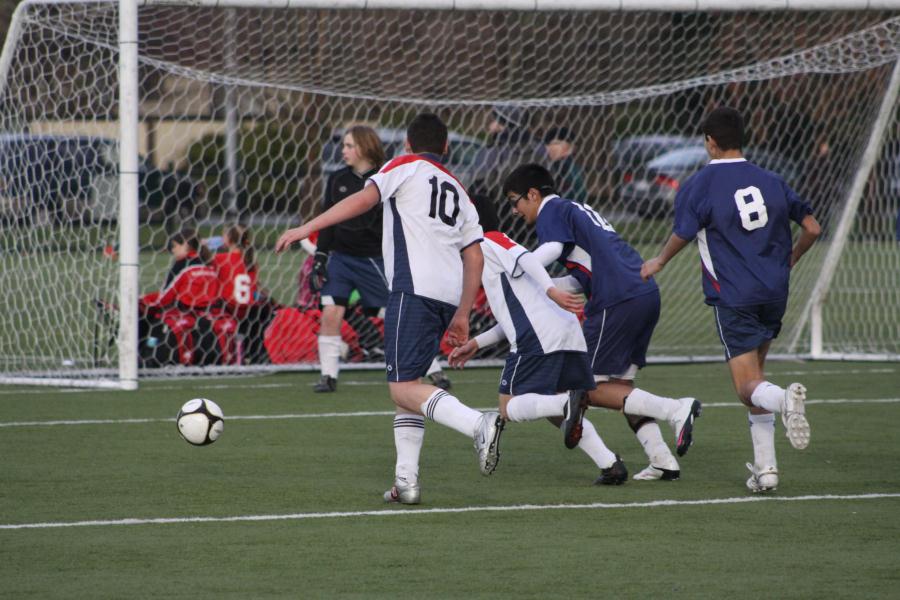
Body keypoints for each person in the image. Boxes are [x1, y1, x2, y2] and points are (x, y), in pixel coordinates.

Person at [276, 113, 503, 504]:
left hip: (413, 288)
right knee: (407, 387)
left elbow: (363, 199)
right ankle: (406, 482)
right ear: (447, 148)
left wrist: (305, 227)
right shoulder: (459, 189)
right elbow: (474, 256)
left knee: (403, 387)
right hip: (447, 294)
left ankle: (477, 423)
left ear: (408, 145)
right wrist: (464, 312)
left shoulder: (403, 165)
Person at [641, 106, 821, 492]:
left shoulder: (699, 184)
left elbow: (683, 233)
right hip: (774, 292)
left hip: (735, 296)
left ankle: (786, 400)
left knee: (745, 387)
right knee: (757, 379)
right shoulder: (772, 179)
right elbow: (812, 227)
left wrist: (659, 260)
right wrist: (792, 258)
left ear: (710, 141)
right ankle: (766, 470)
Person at [502, 164, 701, 482]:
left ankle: (675, 409)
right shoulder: (577, 211)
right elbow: (580, 278)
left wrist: (518, 270)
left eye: (515, 201)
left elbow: (551, 250)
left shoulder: (552, 210)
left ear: (534, 194)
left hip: (616, 298)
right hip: (643, 292)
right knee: (620, 388)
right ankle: (662, 459)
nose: (514, 210)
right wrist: (541, 285)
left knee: (582, 388)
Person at [448, 216, 629, 485]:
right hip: (566, 332)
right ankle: (610, 464)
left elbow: (526, 258)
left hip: (539, 336)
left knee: (509, 407)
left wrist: (552, 290)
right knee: (554, 411)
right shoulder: (488, 260)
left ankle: (566, 403)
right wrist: (477, 343)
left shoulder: (488, 240)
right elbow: (512, 316)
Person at [310, 125, 452, 393]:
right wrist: (320, 257)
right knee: (331, 312)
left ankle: (433, 369)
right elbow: (328, 219)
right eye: (344, 145)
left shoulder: (385, 177)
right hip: (341, 260)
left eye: (349, 145)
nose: (343, 150)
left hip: (374, 260)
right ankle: (328, 377)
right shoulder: (337, 179)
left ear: (364, 147)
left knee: (398, 315)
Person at [140, 229, 231, 365]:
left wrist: (143, 301)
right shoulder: (208, 263)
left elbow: (164, 299)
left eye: (175, 246)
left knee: (147, 312)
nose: (173, 250)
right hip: (210, 316)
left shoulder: (182, 265)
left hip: (186, 314)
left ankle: (145, 351)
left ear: (186, 245)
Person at [543, 126, 589, 204]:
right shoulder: (569, 166)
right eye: (549, 144)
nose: (550, 148)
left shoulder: (565, 166)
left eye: (556, 143)